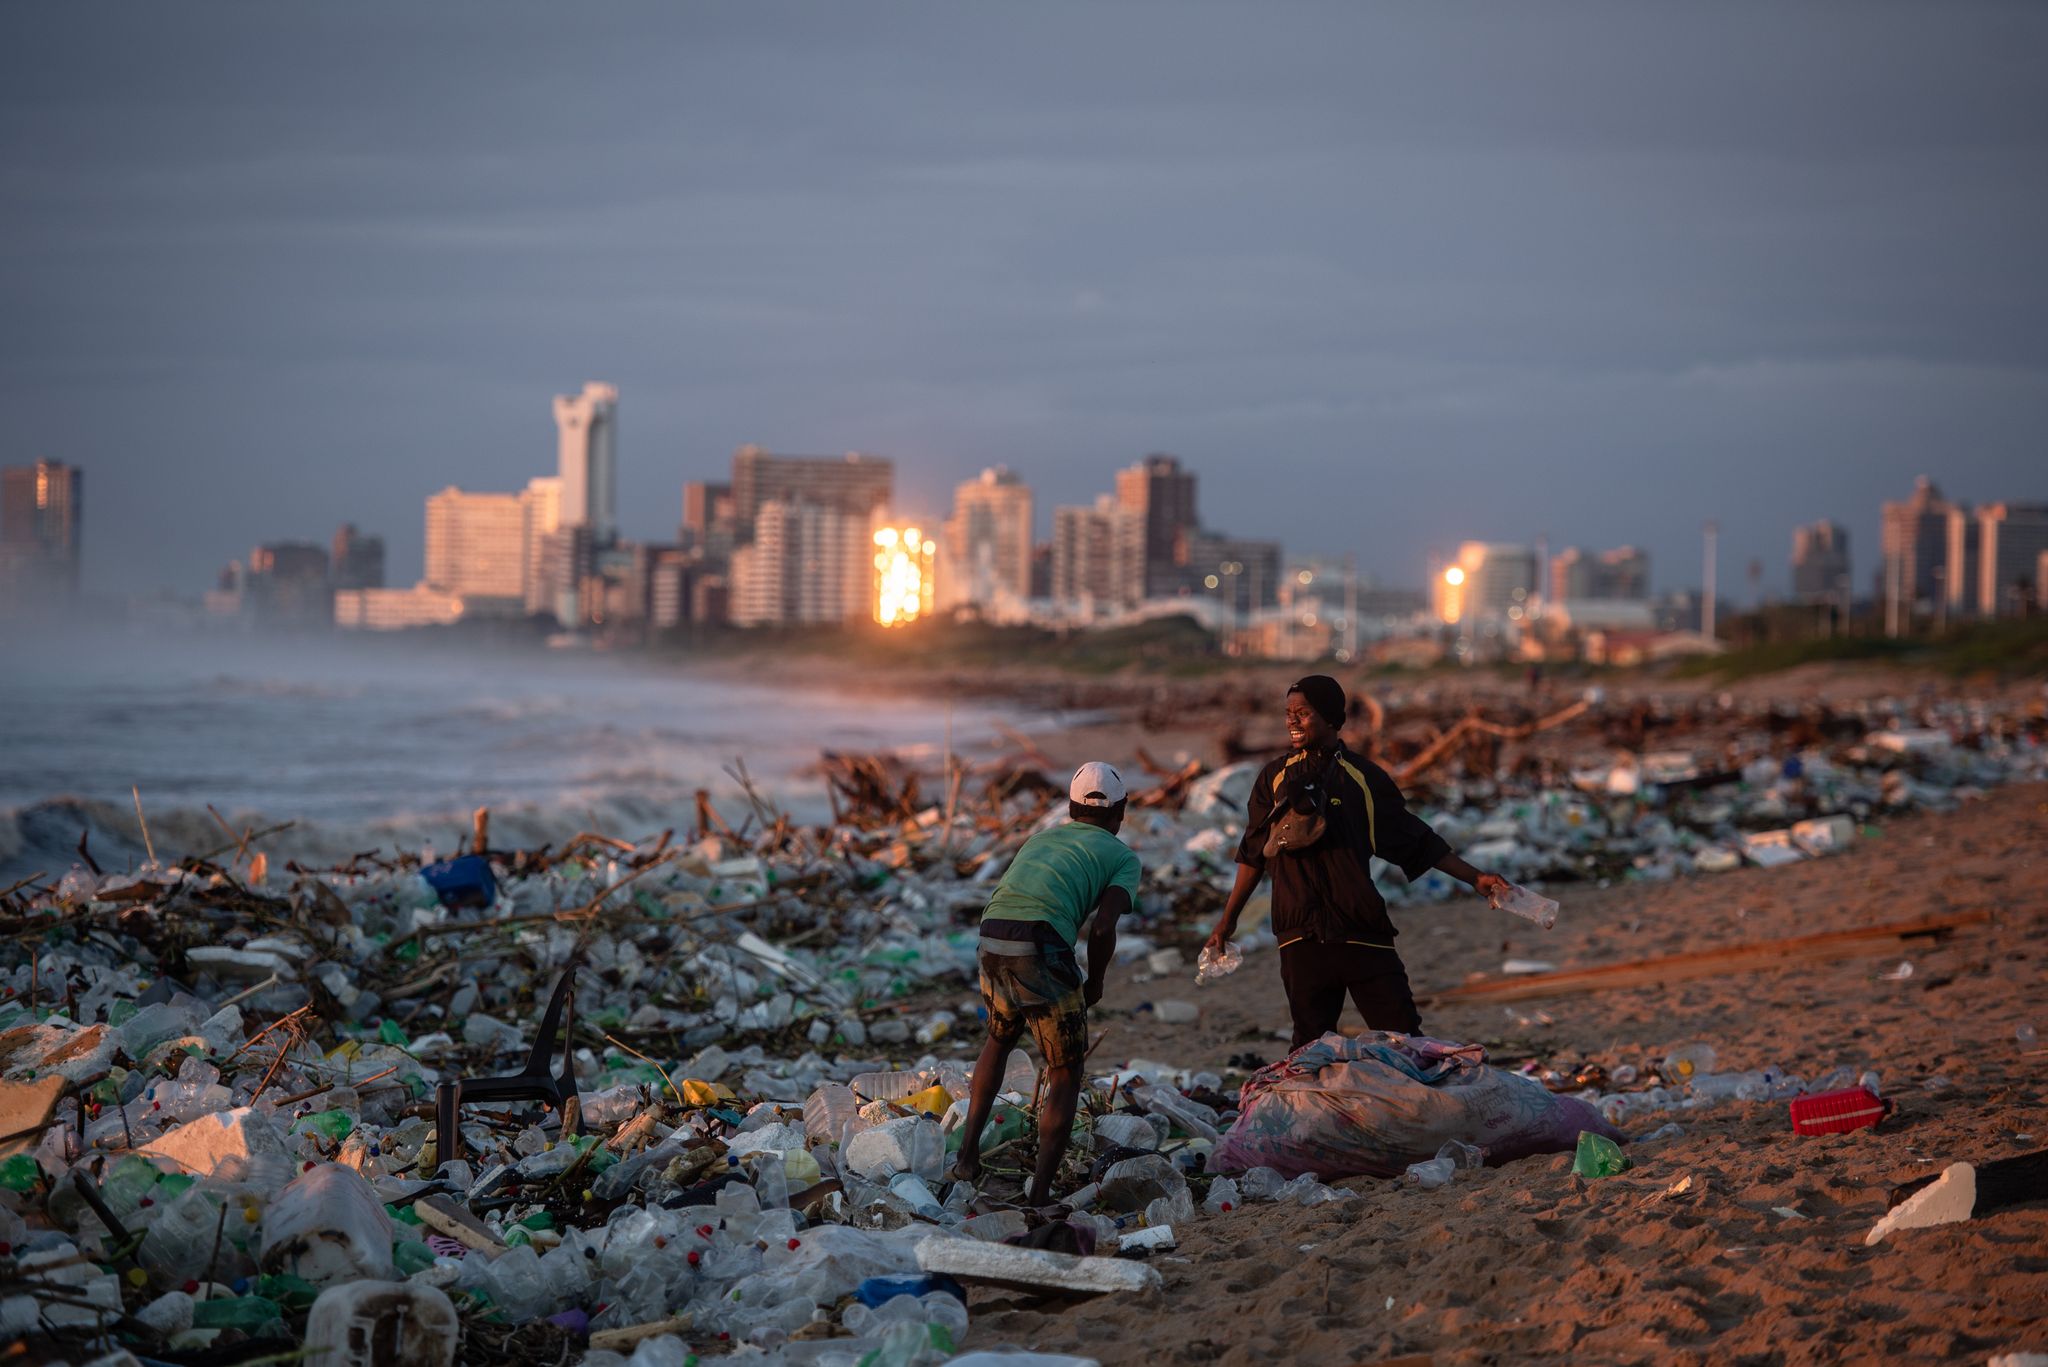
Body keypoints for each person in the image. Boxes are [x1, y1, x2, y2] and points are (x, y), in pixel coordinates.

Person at [1204, 675, 1508, 1050]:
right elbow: (1252, 853)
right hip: (1299, 932)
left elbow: (1415, 839)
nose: (1293, 722)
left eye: (1304, 713)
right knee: (1310, 1047)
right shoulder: (1273, 778)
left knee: (1405, 1041)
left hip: (1359, 928)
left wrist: (1475, 878)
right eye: (1288, 714)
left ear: (1331, 718)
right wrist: (1227, 919)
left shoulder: (1364, 779)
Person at [954, 761, 1138, 1206]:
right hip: (1042, 945)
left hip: (992, 936)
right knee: (1065, 1071)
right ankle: (1038, 1195)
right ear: (1122, 812)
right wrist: (1094, 982)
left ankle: (966, 1157)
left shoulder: (1040, 839)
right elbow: (1101, 928)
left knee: (999, 1040)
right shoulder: (1123, 857)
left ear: (1071, 809)